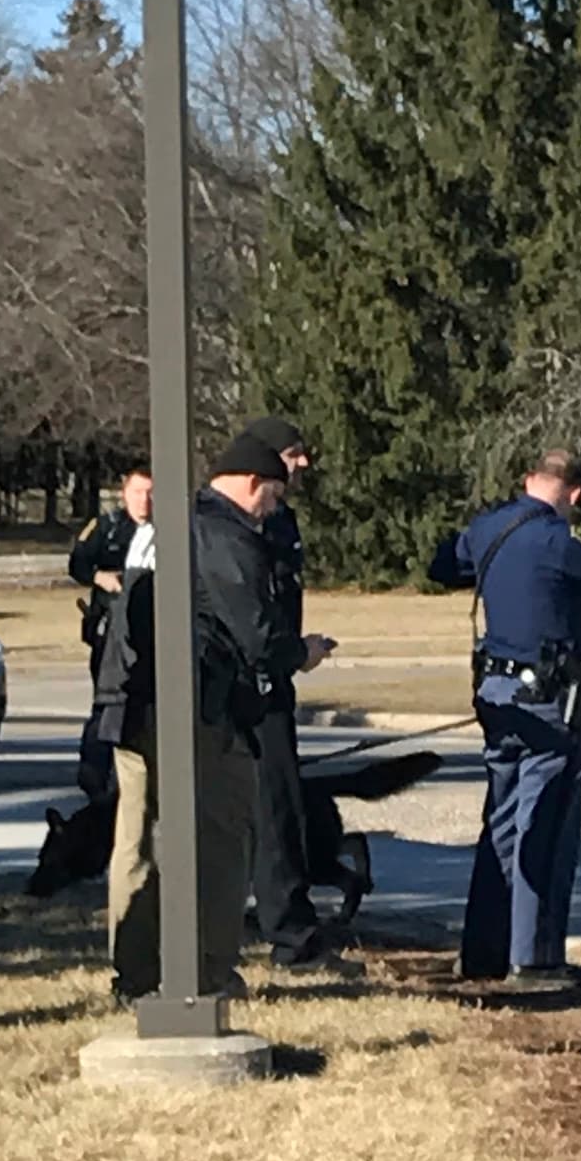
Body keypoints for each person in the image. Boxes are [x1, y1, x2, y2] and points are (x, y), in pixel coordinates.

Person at [95, 433, 330, 1002]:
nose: (272, 509)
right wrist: (300, 653)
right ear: (251, 483)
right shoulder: (224, 535)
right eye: (272, 496)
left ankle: (136, 972)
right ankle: (208, 972)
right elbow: (255, 632)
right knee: (222, 837)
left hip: (131, 701)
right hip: (199, 709)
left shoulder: (165, 527)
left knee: (137, 844)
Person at [430, 450, 581, 986]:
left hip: (496, 692)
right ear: (574, 493)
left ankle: (483, 952)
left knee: (500, 822)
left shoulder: (488, 529)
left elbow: (443, 565)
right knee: (544, 826)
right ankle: (534, 958)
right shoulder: (558, 540)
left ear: (528, 480)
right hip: (548, 700)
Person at [241, 415, 342, 970]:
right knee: (271, 809)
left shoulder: (281, 520)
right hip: (248, 685)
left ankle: (287, 920)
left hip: (276, 678)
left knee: (281, 808)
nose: (303, 463)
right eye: (292, 453)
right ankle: (290, 934)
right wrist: (292, 652)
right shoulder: (237, 525)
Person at [69, 465, 153, 799]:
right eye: (137, 492)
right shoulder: (107, 527)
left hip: (151, 631)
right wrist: (100, 578)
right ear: (124, 493)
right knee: (108, 703)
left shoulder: (166, 528)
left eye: (151, 493)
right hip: (111, 630)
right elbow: (77, 563)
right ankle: (95, 773)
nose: (144, 500)